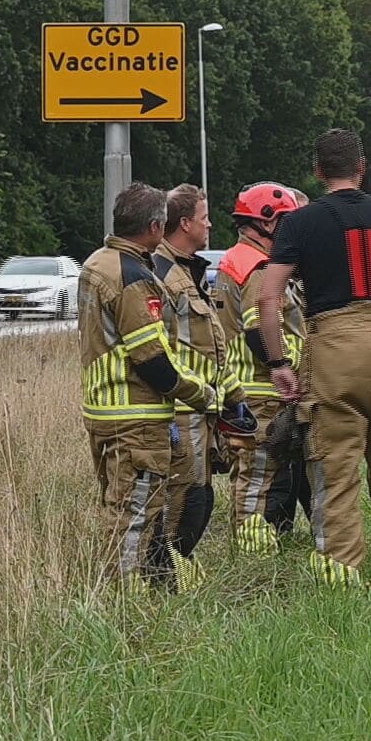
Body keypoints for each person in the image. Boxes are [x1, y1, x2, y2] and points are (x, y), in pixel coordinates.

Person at [259, 129, 371, 598]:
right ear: (363, 168)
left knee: (334, 471)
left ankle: (341, 580)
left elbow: (268, 299)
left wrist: (278, 362)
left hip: (334, 349)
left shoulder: (299, 223)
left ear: (318, 171)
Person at [79, 182, 219, 592]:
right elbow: (152, 359)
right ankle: (126, 597)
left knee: (119, 505)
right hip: (135, 417)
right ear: (156, 227)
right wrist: (201, 394)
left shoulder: (97, 263)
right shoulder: (134, 277)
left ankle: (127, 588)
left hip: (104, 409)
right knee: (134, 512)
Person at [150, 184, 247, 590]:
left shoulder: (189, 271)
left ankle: (176, 569)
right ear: (185, 223)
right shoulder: (159, 274)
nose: (210, 224)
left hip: (204, 407)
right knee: (184, 495)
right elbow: (155, 347)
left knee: (202, 495)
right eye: (204, 217)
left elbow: (211, 346)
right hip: (180, 408)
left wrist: (235, 398)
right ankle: (162, 576)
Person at [211, 181, 309, 554]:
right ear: (267, 223)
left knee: (252, 475)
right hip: (264, 389)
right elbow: (259, 331)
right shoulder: (258, 267)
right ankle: (255, 552)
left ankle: (254, 544)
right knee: (257, 477)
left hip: (248, 386)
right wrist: (289, 365)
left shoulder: (236, 259)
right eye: (288, 222)